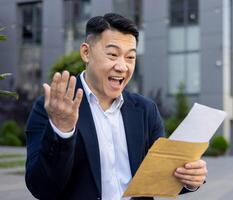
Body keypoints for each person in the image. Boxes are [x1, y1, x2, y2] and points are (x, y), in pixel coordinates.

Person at [25, 13, 207, 200]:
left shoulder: (145, 110)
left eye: (130, 57)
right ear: (86, 53)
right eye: (112, 54)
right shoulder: (53, 108)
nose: (122, 67)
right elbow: (42, 188)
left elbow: (162, 173)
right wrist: (62, 131)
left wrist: (190, 178)